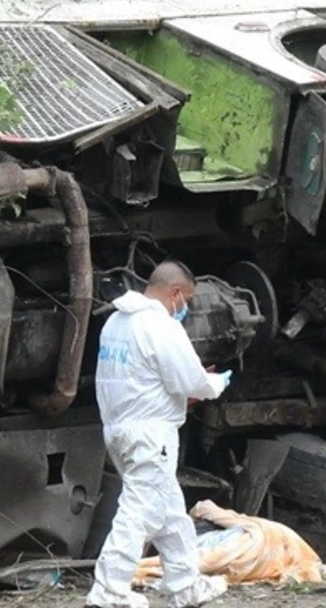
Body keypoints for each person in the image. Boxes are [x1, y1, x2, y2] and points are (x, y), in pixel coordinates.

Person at [86, 260, 234, 608]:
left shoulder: (115, 322)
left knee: (170, 514)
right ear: (176, 293)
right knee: (139, 512)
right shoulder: (161, 327)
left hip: (119, 430)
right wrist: (218, 382)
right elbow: (192, 381)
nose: (186, 308)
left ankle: (184, 585)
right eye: (188, 300)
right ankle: (108, 592)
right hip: (151, 435)